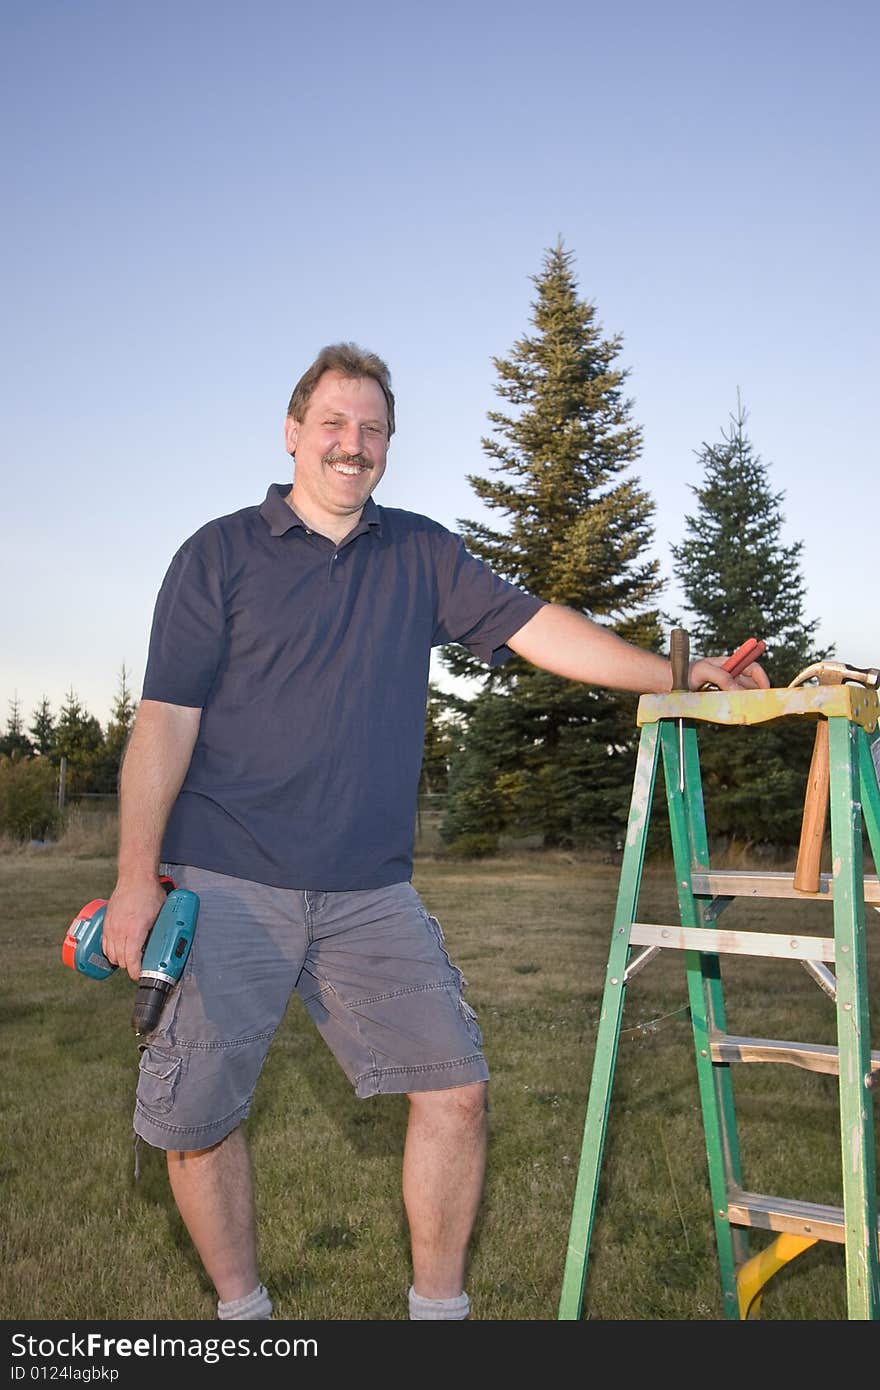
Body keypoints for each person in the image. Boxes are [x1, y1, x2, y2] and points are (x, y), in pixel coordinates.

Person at [102, 342, 768, 1322]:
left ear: (387, 448)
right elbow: (164, 722)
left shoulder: (418, 553)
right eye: (332, 422)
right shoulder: (219, 554)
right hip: (227, 876)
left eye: (372, 429)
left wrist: (674, 672)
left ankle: (437, 1320)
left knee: (455, 1091)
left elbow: (539, 626)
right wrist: (131, 880)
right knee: (197, 1123)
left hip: (369, 889)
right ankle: (243, 1313)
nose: (351, 443)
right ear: (293, 433)